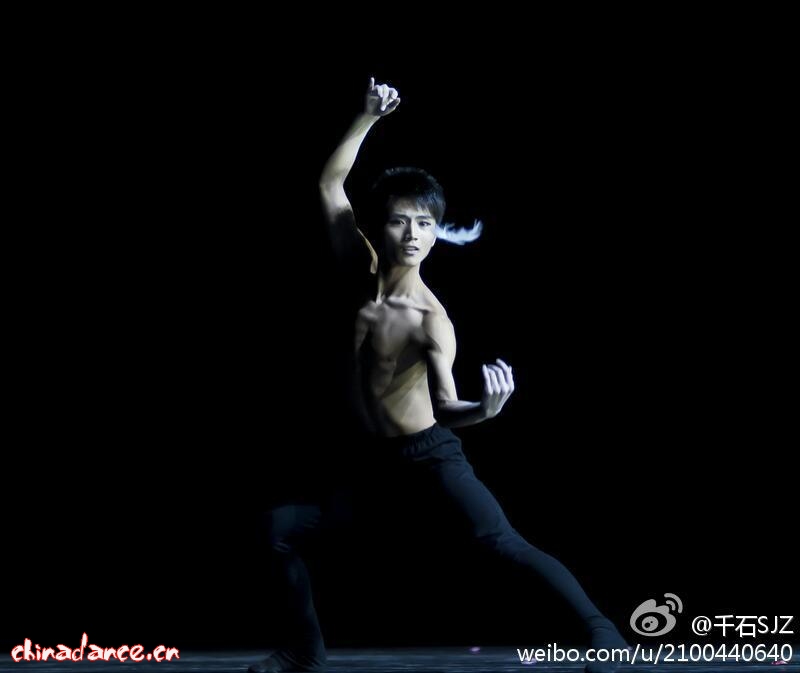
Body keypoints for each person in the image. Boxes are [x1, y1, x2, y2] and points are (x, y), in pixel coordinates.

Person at [249, 78, 629, 673]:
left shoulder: (431, 320)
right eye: (401, 222)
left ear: (436, 233)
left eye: (425, 224)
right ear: (379, 225)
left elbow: (446, 404)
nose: (413, 235)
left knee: (501, 543)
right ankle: (305, 651)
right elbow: (329, 184)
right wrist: (367, 117)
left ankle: (606, 637)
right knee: (277, 531)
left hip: (426, 458)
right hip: (365, 463)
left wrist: (485, 410)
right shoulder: (353, 264)